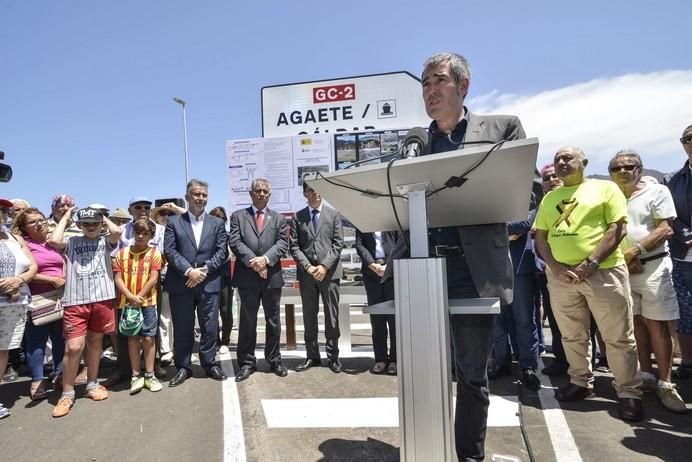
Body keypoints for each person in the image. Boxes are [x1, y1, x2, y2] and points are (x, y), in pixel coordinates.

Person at [388, 52, 527, 461]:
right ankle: (427, 451)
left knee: (470, 374)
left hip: (472, 271)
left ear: (463, 86)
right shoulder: (416, 144)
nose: (430, 90)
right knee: (423, 372)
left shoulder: (502, 128)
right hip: (422, 269)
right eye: (425, 83)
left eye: (438, 81)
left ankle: (468, 456)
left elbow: (528, 193)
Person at [534, 146, 643, 422]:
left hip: (603, 272)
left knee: (617, 336)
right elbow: (541, 238)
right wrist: (556, 268)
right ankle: (581, 382)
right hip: (561, 278)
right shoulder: (550, 198)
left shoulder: (605, 189)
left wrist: (589, 264)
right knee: (572, 334)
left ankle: (629, 392)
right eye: (557, 159)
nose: (561, 162)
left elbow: (617, 228)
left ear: (583, 162)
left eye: (567, 157)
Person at [609, 150, 686, 413]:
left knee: (658, 325)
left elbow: (665, 228)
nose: (622, 171)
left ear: (639, 169)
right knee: (636, 324)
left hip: (652, 265)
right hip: (623, 269)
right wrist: (624, 258)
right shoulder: (611, 196)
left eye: (628, 166)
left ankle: (666, 383)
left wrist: (635, 251)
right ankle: (647, 376)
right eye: (616, 168)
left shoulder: (657, 192)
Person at [47, 206, 121, 418]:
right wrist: (68, 217)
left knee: (95, 343)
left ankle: (91, 384)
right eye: (86, 223)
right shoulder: (71, 242)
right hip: (76, 300)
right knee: (74, 347)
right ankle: (67, 393)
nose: (91, 227)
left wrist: (103, 217)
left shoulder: (105, 242)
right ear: (79, 225)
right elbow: (53, 240)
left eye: (94, 223)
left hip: (102, 299)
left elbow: (116, 232)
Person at [164, 179, 228, 387]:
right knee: (183, 327)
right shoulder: (174, 222)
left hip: (209, 282)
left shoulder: (217, 224)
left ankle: (209, 364)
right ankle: (183, 366)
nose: (200, 198)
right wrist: (189, 271)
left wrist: (205, 270)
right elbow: (170, 251)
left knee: (209, 327)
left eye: (204, 195)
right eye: (196, 194)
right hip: (182, 283)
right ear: (187, 197)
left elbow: (222, 252)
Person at [230, 178, 289, 382]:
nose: (261, 193)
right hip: (247, 278)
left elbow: (282, 244)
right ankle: (247, 362)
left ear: (269, 195)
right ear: (251, 194)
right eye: (258, 190)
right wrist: (254, 263)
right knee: (248, 321)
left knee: (273, 321)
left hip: (271, 277)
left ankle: (274, 359)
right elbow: (235, 241)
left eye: (265, 191)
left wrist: (265, 260)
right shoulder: (238, 216)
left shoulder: (279, 219)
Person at [105, 196, 166, 387]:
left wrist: (139, 294)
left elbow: (161, 257)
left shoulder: (160, 230)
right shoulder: (121, 231)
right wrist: (130, 295)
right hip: (126, 291)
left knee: (149, 334)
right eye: (138, 207)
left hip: (149, 290)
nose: (143, 209)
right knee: (127, 334)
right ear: (130, 209)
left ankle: (151, 369)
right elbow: (114, 258)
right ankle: (127, 370)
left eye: (147, 207)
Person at [11, 208, 66, 401]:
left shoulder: (51, 242)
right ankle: (37, 380)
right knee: (37, 341)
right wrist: (50, 280)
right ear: (24, 228)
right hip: (37, 296)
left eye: (41, 219)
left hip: (60, 296)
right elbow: (26, 270)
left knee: (60, 338)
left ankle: (60, 375)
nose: (39, 223)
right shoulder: (23, 244)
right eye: (33, 222)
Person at [291, 183, 345, 373]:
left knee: (332, 316)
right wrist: (308, 267)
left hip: (329, 274)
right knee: (309, 316)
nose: (315, 193)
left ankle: (333, 357)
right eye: (311, 190)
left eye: (317, 189)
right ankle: (312, 356)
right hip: (308, 275)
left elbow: (338, 244)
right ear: (305, 193)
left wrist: (324, 266)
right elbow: (294, 246)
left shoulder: (334, 214)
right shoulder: (298, 217)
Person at [0, 198, 38, 419]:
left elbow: (32, 266)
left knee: (3, 350)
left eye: (5, 211)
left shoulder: (15, 238)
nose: (2, 214)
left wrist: (19, 280)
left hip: (15, 303)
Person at [662, 124, 692, 379]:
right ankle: (688, 363)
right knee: (685, 310)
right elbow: (668, 215)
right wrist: (687, 236)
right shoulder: (671, 179)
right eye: (688, 138)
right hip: (684, 256)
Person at [355, 230, 398, 374]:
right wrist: (372, 265)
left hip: (393, 272)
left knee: (394, 318)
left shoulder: (390, 217)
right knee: (376, 318)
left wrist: (389, 266)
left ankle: (395, 359)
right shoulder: (363, 219)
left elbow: (401, 244)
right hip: (371, 274)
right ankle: (380, 358)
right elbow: (360, 245)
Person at [209, 206, 233, 354]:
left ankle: (225, 340)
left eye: (223, 219)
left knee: (225, 310)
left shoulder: (228, 236)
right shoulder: (206, 236)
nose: (220, 221)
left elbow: (227, 254)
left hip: (224, 278)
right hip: (210, 278)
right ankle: (215, 339)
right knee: (211, 312)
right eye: (217, 218)